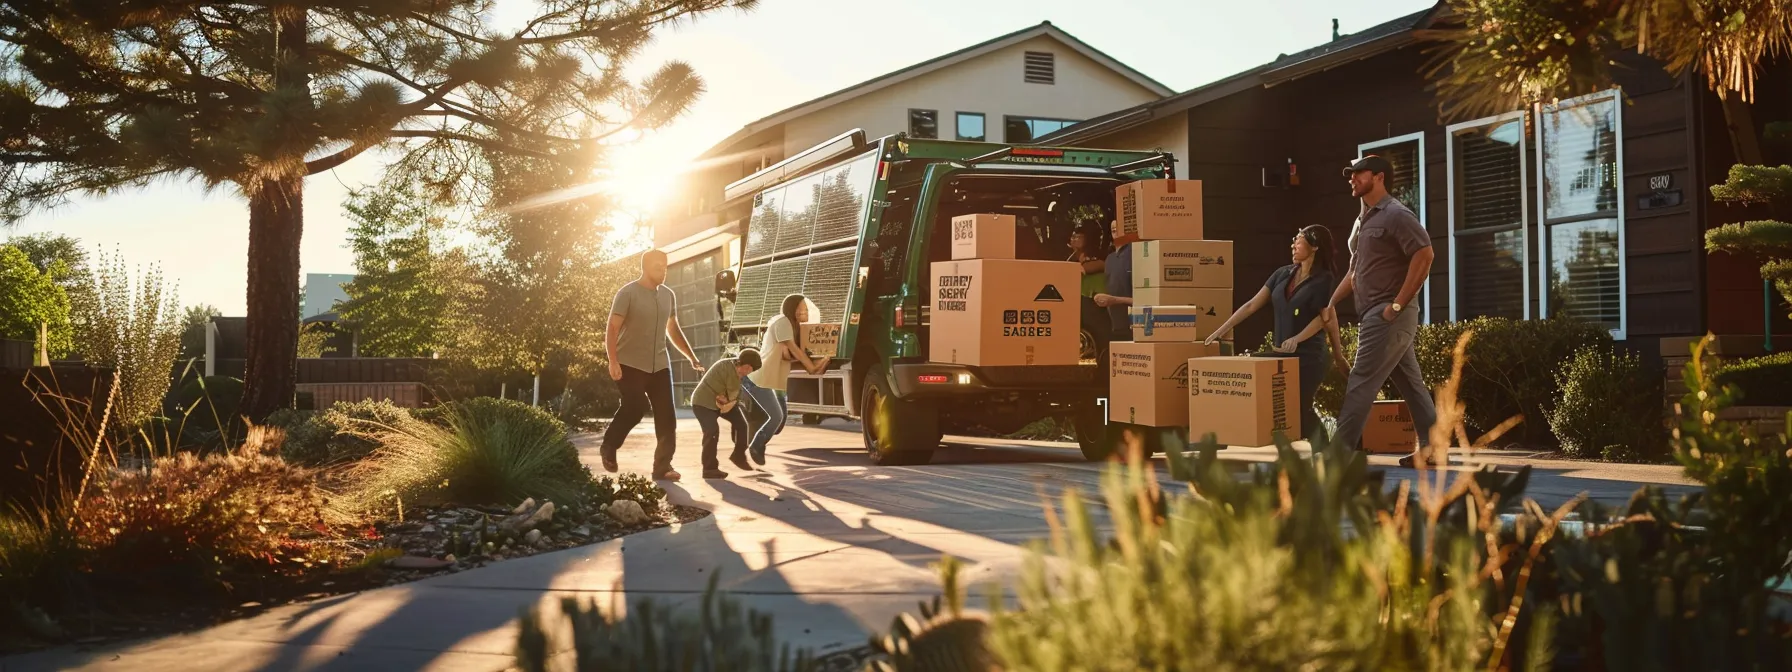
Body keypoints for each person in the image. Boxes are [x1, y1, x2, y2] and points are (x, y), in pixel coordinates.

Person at [1324, 155, 1441, 468]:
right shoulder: (1364, 220)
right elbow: (1355, 270)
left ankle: (1338, 455)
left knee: (1361, 379)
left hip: (1388, 313)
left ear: (1378, 177)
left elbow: (1425, 254)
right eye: (1351, 174)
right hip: (1377, 313)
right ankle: (1434, 451)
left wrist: (1397, 304)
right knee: (1411, 385)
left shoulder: (1396, 214)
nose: (1352, 178)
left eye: (1358, 174)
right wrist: (1331, 302)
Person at [1205, 225, 1340, 442]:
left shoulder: (1324, 280)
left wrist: (1297, 339)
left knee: (1300, 408)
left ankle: (1325, 457)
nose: (1293, 245)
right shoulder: (1282, 274)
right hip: (1281, 354)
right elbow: (1251, 305)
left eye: (1298, 240)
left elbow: (1323, 319)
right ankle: (1320, 455)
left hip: (1309, 356)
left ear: (1314, 247)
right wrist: (1221, 329)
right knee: (1255, 374)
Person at [599, 249, 706, 482]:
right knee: (636, 407)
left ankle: (663, 467)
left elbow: (672, 329)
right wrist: (613, 360)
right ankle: (609, 446)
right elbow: (612, 328)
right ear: (646, 267)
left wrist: (690, 355)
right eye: (658, 267)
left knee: (667, 416)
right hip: (629, 363)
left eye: (665, 266)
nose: (663, 271)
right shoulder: (628, 293)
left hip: (659, 364)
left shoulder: (668, 295)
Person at [740, 294, 831, 465]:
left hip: (776, 382)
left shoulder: (794, 328)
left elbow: (788, 355)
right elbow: (795, 351)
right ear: (792, 309)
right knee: (775, 418)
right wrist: (811, 367)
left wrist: (823, 359)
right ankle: (756, 445)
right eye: (801, 309)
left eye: (806, 309)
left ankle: (756, 427)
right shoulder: (783, 323)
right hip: (761, 379)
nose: (805, 312)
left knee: (779, 424)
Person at [690, 348, 763, 479]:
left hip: (723, 403)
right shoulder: (728, 368)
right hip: (703, 403)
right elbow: (734, 395)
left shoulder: (738, 372)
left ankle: (738, 455)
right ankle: (709, 469)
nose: (749, 373)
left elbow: (734, 397)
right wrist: (733, 399)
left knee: (741, 425)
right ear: (747, 367)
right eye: (751, 370)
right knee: (711, 431)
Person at [1091, 220, 1139, 342]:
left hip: (1136, 323)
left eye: (1119, 226)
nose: (1115, 228)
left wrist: (1115, 300)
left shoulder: (1137, 253)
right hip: (1115, 324)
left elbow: (1146, 297)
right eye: (1113, 228)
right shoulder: (1110, 259)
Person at [1068, 220, 1109, 298]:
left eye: (1078, 236)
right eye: (1073, 236)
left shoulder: (1098, 259)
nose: (1073, 239)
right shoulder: (1073, 257)